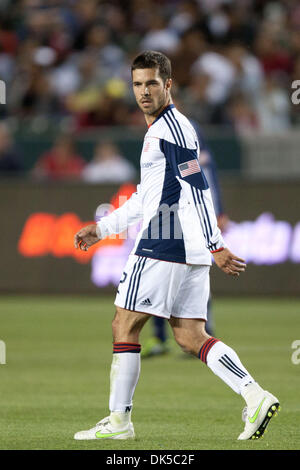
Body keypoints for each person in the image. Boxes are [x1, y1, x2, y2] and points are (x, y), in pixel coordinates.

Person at [73, 51, 280, 441]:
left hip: (164, 239)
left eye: (152, 83)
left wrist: (216, 244)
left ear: (168, 84)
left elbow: (197, 187)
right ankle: (255, 396)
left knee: (124, 323)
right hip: (185, 245)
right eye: (137, 84)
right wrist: (103, 228)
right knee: (189, 335)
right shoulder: (161, 130)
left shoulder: (172, 128)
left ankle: (119, 422)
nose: (144, 91)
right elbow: (145, 197)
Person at [141, 121, 229, 358]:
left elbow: (203, 175)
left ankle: (200, 333)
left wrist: (217, 211)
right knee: (158, 275)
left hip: (189, 215)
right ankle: (159, 337)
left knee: (194, 273)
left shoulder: (186, 129)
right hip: (164, 215)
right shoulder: (156, 130)